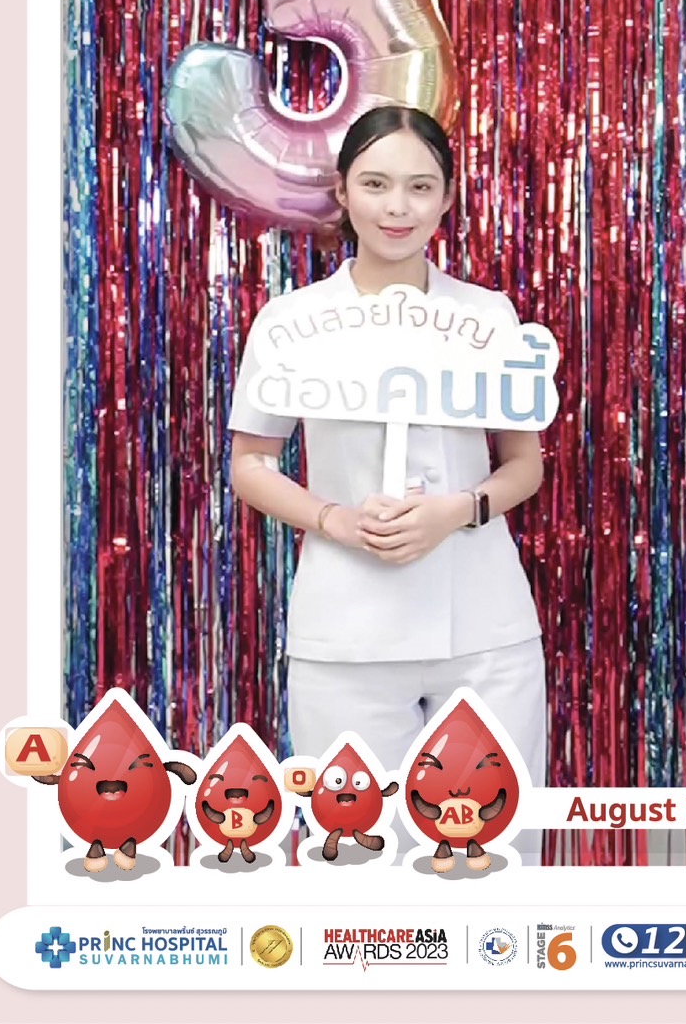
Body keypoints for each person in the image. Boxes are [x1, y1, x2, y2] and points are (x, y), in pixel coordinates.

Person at [228, 105, 547, 864]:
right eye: (375, 184)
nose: (397, 206)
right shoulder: (291, 321)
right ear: (342, 192)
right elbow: (249, 464)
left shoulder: (489, 315)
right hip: (347, 628)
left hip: (486, 626)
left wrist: (457, 511)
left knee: (494, 854)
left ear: (446, 197)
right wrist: (336, 520)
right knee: (355, 856)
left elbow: (524, 465)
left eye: (419, 186)